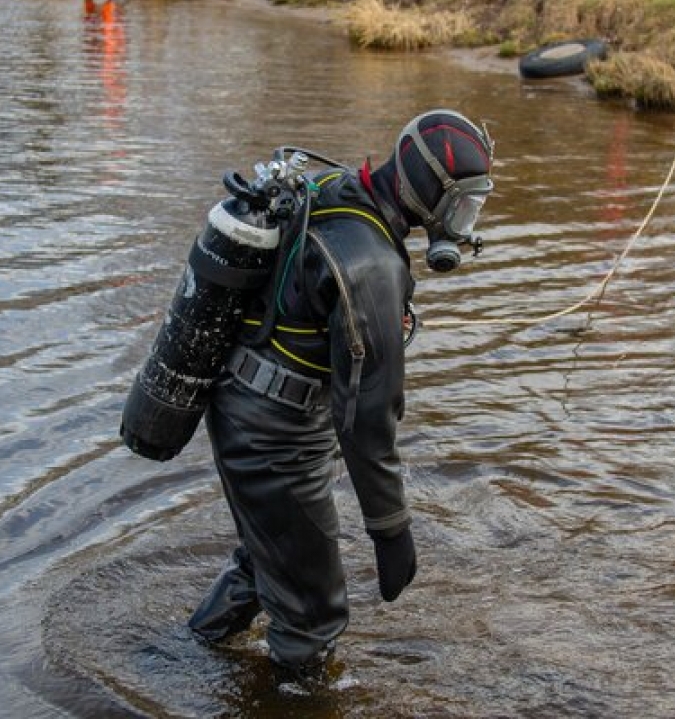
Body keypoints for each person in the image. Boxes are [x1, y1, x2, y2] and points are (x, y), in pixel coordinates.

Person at [186, 109, 495, 685]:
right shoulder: (372, 264)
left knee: (269, 558)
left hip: (239, 401)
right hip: (273, 436)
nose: (464, 223)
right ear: (432, 193)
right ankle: (290, 693)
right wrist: (391, 530)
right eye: (463, 206)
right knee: (313, 619)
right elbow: (370, 419)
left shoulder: (334, 186)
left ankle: (182, 656)